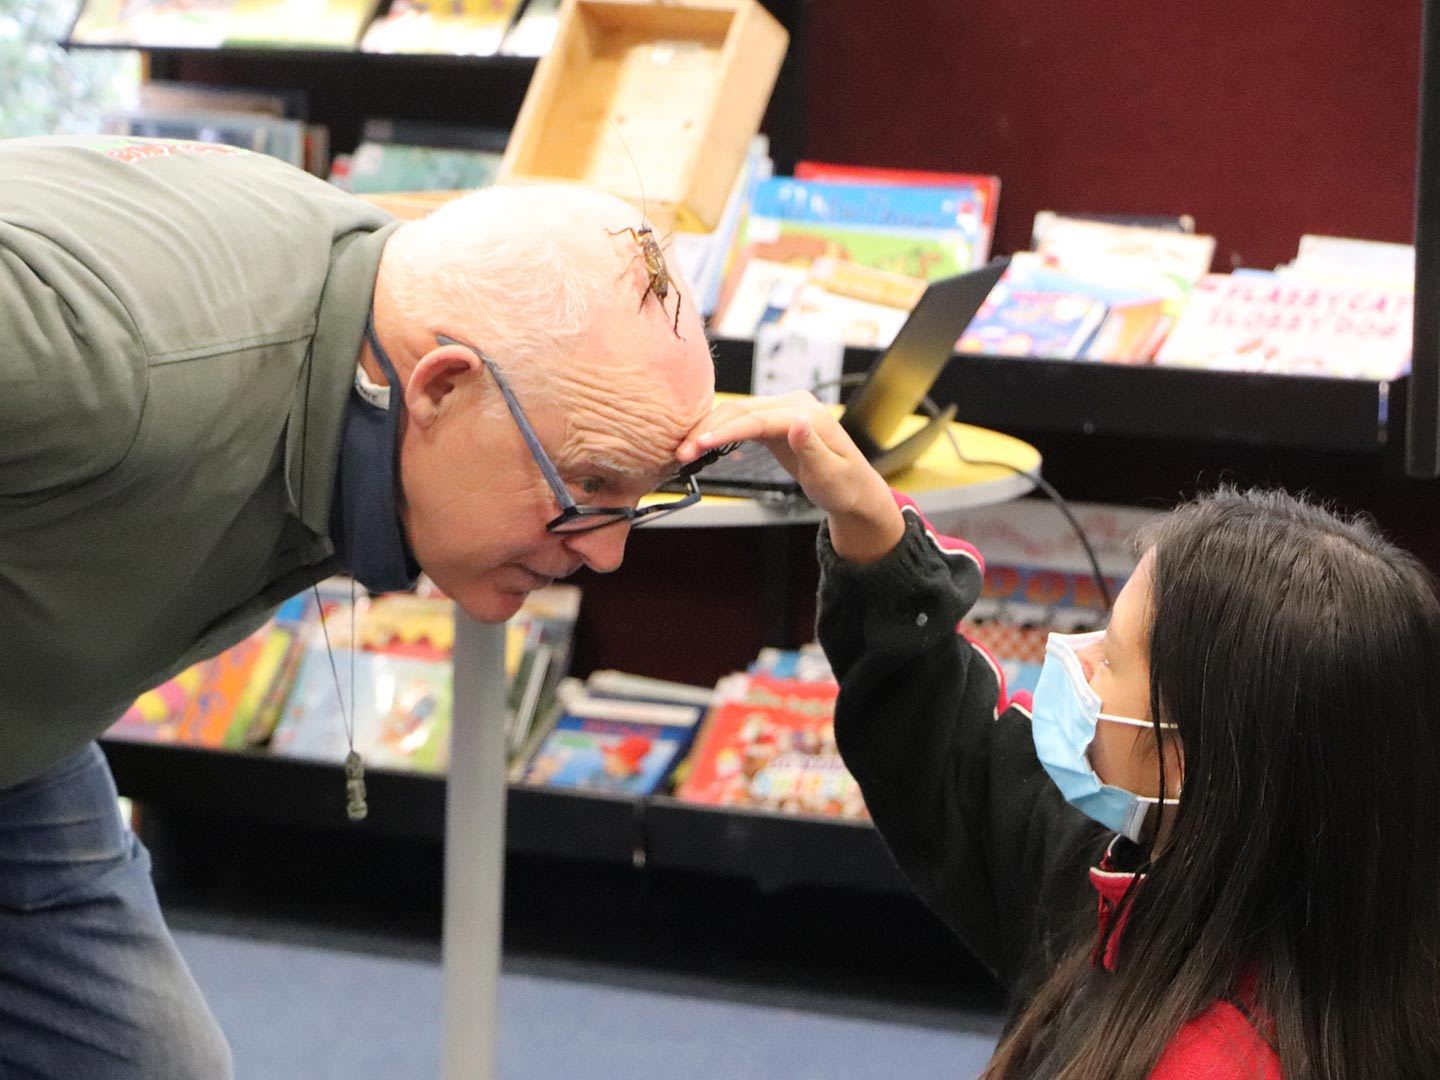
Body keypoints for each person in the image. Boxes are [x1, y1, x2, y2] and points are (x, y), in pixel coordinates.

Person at [0, 134, 715, 1078]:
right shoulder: (104, 362)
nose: (607, 551)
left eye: (639, 499)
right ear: (442, 388)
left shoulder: (398, 305)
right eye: (586, 485)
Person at [678, 392, 1440, 1079]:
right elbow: (962, 766)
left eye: (1110, 658)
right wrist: (873, 535)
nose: (1073, 664)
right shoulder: (1173, 869)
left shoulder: (1208, 1054)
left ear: (1185, 748)